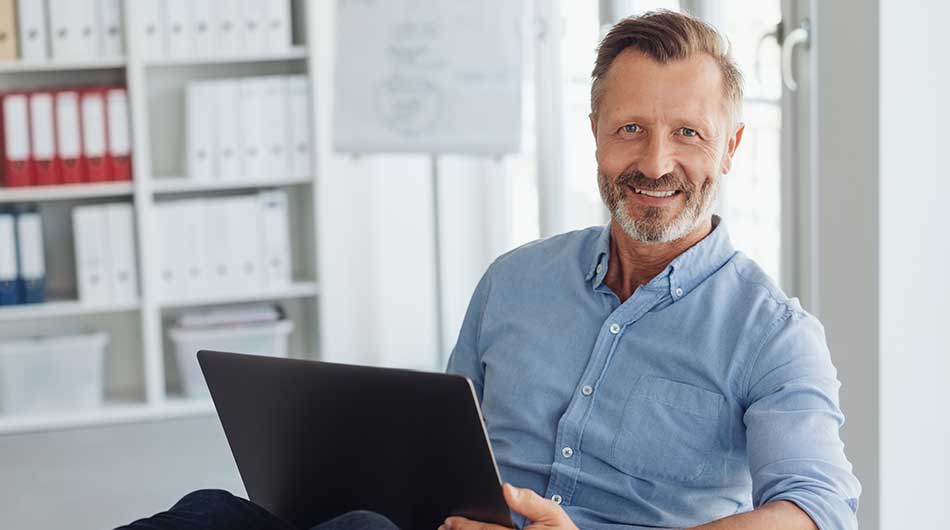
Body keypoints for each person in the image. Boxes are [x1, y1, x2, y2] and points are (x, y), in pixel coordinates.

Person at [118, 10, 860, 530]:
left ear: (731, 148)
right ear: (596, 134)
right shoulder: (515, 280)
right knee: (211, 511)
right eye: (629, 129)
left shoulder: (774, 335)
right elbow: (434, 446)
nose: (655, 162)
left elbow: (816, 508)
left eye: (688, 134)